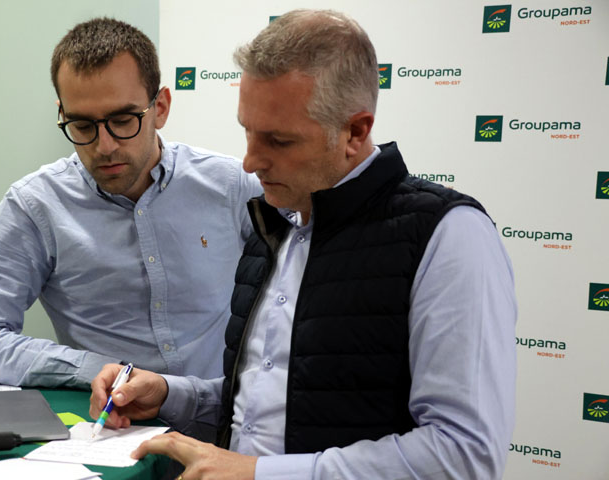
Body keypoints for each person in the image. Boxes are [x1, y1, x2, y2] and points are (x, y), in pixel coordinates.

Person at [89, 9, 517, 480]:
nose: (250, 162)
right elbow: (267, 409)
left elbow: (463, 455)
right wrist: (172, 394)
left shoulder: (447, 235)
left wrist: (257, 474)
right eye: (247, 131)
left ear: (355, 131)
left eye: (278, 141)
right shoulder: (275, 227)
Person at [0, 18, 262, 389]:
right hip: (111, 416)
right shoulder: (36, 206)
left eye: (123, 120)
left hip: (219, 413)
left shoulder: (233, 187)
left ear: (161, 107)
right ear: (63, 115)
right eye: (83, 126)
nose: (105, 146)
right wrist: (97, 370)